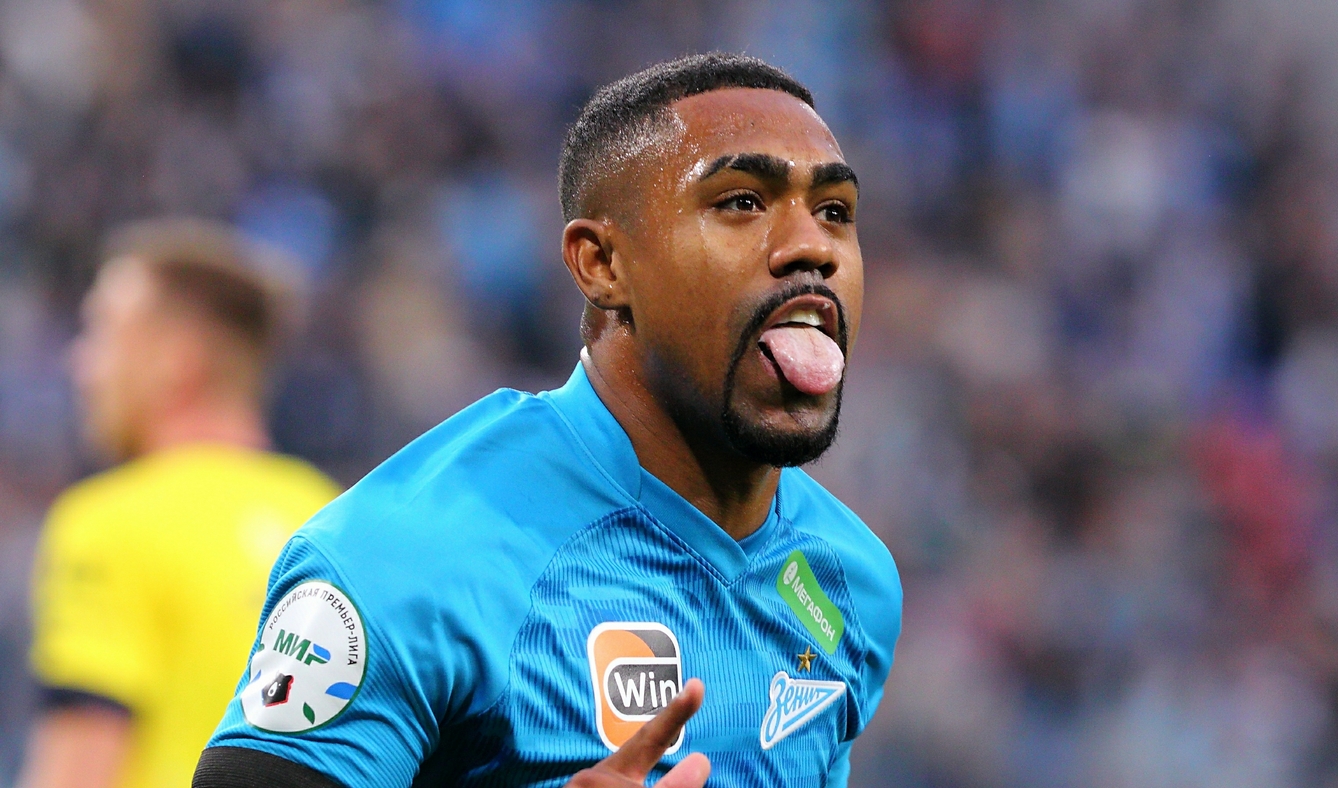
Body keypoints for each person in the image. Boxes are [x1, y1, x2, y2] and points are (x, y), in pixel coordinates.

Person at [194, 53, 901, 788]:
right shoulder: (414, 550)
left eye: (835, 212)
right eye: (742, 202)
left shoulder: (852, 582)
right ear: (601, 264)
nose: (812, 247)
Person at [21, 219, 341, 788]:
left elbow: (77, 771)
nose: (81, 364)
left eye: (101, 332)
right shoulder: (335, 518)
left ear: (177, 357)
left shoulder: (109, 523)